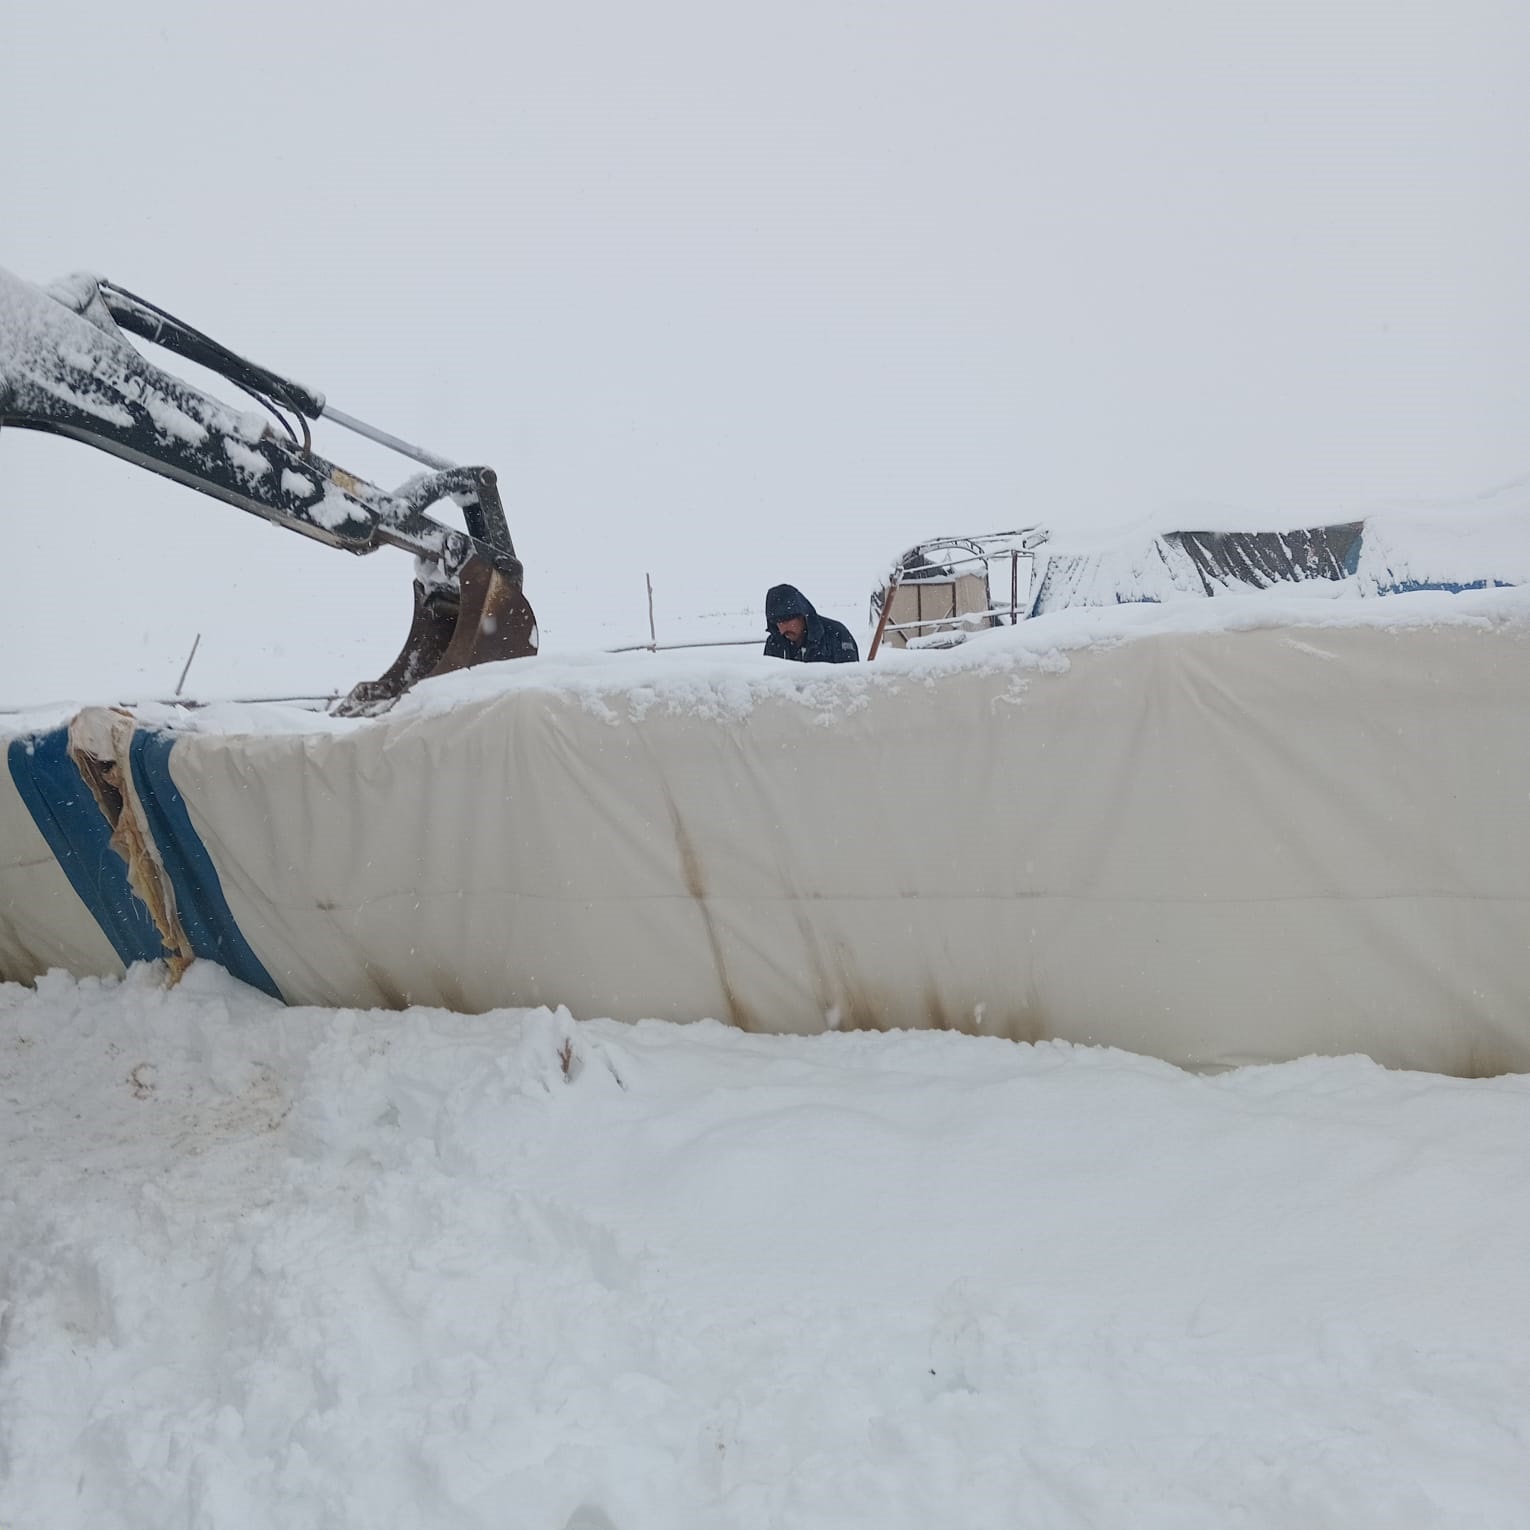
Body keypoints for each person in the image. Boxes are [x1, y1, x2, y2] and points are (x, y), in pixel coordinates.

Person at [763, 584, 860, 663]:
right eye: (778, 622)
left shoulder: (836, 635)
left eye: (788, 619)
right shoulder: (774, 644)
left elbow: (851, 680)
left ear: (803, 615)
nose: (783, 628)